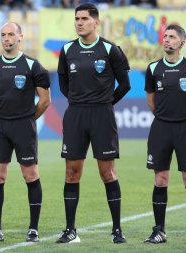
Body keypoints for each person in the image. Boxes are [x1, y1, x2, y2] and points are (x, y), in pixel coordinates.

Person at [56, 3, 131, 244]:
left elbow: (125, 85)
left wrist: (105, 103)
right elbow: (63, 83)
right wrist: (78, 102)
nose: (79, 22)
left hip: (102, 115)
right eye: (77, 18)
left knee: (107, 173)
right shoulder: (67, 49)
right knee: (71, 173)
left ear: (96, 22)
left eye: (84, 19)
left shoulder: (110, 50)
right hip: (76, 115)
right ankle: (70, 230)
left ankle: (117, 230)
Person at [0, 22, 51, 243]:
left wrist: (28, 119)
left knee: (30, 175)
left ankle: (33, 228)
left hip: (23, 127)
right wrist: (0, 116)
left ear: (20, 37)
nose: (6, 38)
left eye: (11, 34)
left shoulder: (32, 65)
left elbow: (45, 100)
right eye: (3, 35)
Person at [144, 24, 186, 244]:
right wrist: (164, 118)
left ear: (182, 42)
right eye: (165, 36)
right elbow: (151, 101)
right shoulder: (153, 69)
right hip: (161, 129)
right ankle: (159, 231)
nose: (167, 39)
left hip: (185, 129)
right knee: (160, 179)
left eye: (172, 37)